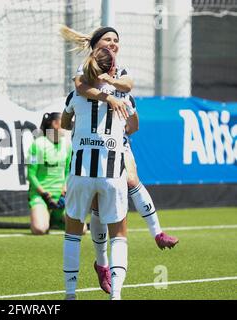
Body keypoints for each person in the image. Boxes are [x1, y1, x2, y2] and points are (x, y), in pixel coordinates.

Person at [61, 25, 179, 295]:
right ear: (96, 45)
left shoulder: (115, 78)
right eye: (108, 40)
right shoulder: (85, 78)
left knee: (127, 182)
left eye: (116, 40)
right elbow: (83, 87)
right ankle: (107, 274)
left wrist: (110, 88)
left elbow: (70, 117)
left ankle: (156, 233)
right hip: (107, 164)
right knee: (107, 217)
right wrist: (109, 96)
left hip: (89, 164)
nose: (113, 44)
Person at [62, 47, 129, 300]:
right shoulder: (123, 96)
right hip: (111, 174)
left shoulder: (75, 95)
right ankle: (116, 295)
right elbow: (133, 126)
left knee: (72, 234)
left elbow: (64, 123)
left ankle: (70, 294)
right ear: (113, 70)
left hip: (80, 172)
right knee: (119, 236)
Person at [27, 112, 71, 234]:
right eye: (65, 123)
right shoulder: (38, 144)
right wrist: (45, 195)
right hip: (41, 196)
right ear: (55, 124)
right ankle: (44, 215)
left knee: (82, 230)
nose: (68, 126)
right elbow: (31, 175)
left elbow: (68, 171)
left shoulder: (67, 145)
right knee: (39, 229)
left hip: (60, 198)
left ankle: (55, 219)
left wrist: (64, 190)